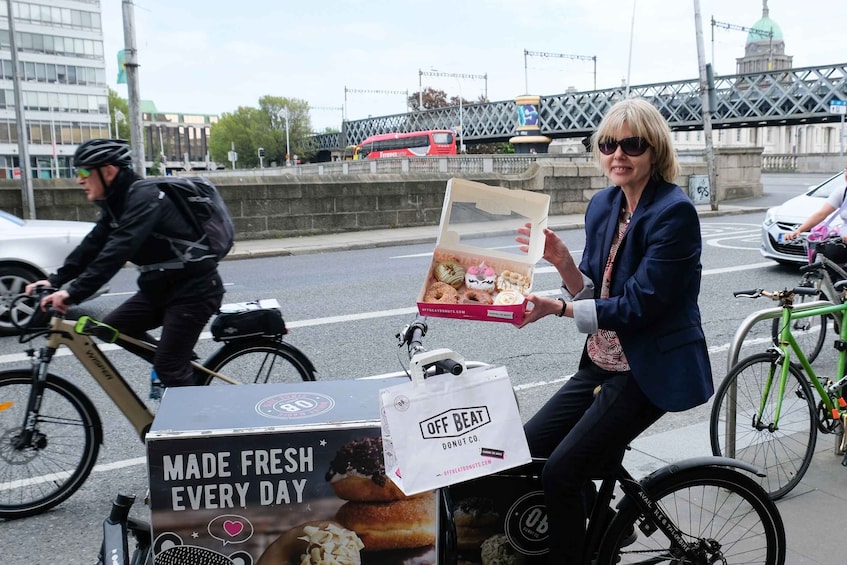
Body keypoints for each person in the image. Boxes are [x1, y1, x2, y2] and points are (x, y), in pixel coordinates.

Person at [515, 98, 714, 564]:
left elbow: (639, 305)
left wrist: (558, 309)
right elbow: (594, 289)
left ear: (655, 150)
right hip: (603, 362)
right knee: (529, 450)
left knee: (563, 473)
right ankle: (605, 530)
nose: (618, 154)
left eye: (632, 144)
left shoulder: (674, 213)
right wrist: (563, 261)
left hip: (649, 372)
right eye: (608, 144)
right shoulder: (604, 204)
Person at [25, 139, 225, 388]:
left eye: (84, 171)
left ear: (108, 171)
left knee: (168, 366)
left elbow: (118, 249)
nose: (79, 179)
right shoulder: (118, 203)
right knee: (113, 329)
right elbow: (93, 245)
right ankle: (181, 368)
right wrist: (55, 280)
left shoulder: (145, 197)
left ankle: (197, 417)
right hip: (159, 289)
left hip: (193, 291)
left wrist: (72, 294)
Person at [782, 166, 847, 264]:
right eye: (846, 170)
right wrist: (799, 230)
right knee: (822, 256)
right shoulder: (843, 192)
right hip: (844, 241)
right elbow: (821, 214)